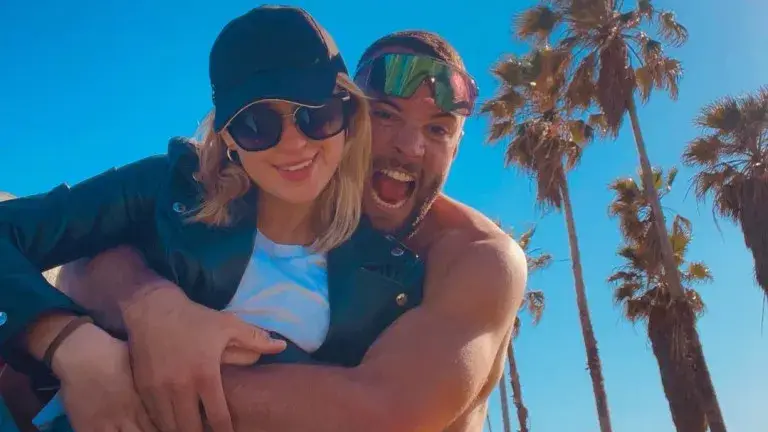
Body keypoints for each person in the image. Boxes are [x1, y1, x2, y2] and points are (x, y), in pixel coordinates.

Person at [47, 31, 529, 431]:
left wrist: (139, 371)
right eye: (385, 114)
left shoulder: (477, 257)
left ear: (457, 147)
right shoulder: (278, 182)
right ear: (349, 119)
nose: (410, 146)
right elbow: (85, 262)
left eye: (438, 129)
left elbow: (386, 415)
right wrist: (148, 304)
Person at [0, 5, 429, 432]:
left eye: (315, 114)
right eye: (257, 124)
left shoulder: (389, 279)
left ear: (350, 117)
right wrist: (68, 342)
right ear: (228, 138)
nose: (294, 143)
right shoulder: (167, 189)